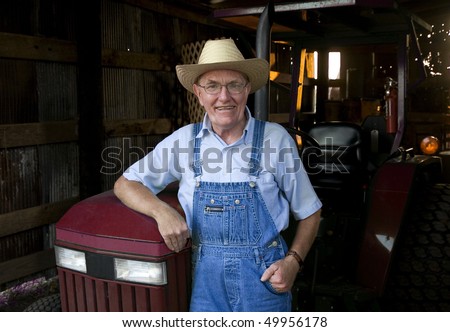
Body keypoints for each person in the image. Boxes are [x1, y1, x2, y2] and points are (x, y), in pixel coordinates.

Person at [114, 38, 322, 312]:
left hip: (264, 279)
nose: (224, 97)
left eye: (234, 85)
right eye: (212, 86)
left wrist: (293, 262)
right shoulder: (183, 142)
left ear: (247, 89)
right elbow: (125, 184)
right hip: (204, 283)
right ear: (199, 94)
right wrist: (162, 212)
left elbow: (310, 212)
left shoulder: (275, 139)